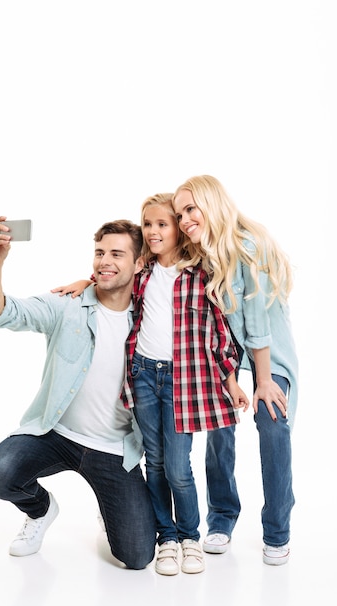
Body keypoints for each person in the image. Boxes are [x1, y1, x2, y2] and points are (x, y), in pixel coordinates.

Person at [52, 193, 249, 576]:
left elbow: (220, 335)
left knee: (178, 466)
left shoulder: (201, 274)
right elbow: (111, 278)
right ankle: (167, 538)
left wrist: (231, 381)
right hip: (143, 375)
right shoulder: (142, 272)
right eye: (148, 224)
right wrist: (85, 280)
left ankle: (189, 536)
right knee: (154, 463)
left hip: (182, 381)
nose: (155, 231)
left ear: (178, 229)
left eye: (163, 224)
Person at [0, 216, 157, 570]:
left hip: (114, 451)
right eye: (100, 252)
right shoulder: (67, 304)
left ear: (139, 263)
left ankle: (109, 509)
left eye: (117, 254)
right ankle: (40, 510)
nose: (105, 261)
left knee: (137, 557)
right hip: (55, 434)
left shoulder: (151, 317)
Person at [172, 174, 299, 566]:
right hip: (226, 356)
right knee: (219, 427)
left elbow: (258, 324)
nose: (184, 220)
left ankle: (277, 531)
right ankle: (222, 517)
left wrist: (262, 381)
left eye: (191, 209)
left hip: (268, 355)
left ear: (212, 204)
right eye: (179, 214)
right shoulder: (200, 254)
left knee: (273, 421)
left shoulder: (249, 247)